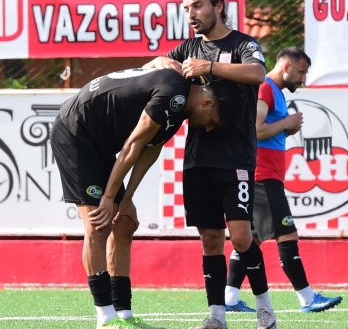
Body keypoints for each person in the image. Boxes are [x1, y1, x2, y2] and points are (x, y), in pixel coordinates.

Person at [50, 68, 244, 329]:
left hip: (100, 144)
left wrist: (126, 199)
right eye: (213, 121)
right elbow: (132, 145)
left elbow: (150, 149)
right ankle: (105, 319)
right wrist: (108, 198)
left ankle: (124, 316)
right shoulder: (173, 94)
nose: (208, 127)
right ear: (207, 103)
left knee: (124, 223)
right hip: (75, 133)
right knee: (98, 225)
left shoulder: (180, 107)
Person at [143, 0, 277, 329]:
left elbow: (258, 73)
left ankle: (265, 310)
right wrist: (160, 61)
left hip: (236, 158)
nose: (191, 14)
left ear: (218, 6)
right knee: (211, 239)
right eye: (187, 8)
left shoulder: (243, 44)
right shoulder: (188, 47)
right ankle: (217, 317)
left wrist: (210, 67)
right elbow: (154, 67)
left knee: (242, 236)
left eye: (198, 6)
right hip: (198, 158)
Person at [224, 47, 343, 313]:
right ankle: (307, 298)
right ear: (286, 66)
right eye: (301, 72)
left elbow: (267, 132)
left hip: (265, 177)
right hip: (263, 178)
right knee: (287, 234)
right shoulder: (265, 87)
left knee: (250, 240)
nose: (303, 79)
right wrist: (287, 122)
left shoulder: (275, 92)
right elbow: (255, 129)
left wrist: (286, 130)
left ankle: (229, 298)